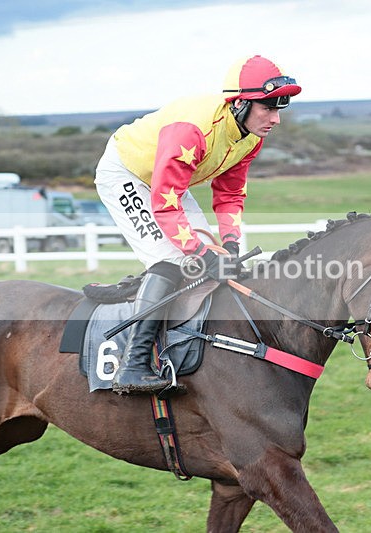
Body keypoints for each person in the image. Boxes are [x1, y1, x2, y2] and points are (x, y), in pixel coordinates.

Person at [95, 55, 302, 394]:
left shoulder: (251, 135)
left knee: (206, 255)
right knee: (175, 259)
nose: (276, 119)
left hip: (169, 183)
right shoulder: (193, 130)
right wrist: (202, 254)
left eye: (280, 108)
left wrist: (231, 243)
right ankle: (132, 365)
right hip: (128, 173)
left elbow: (230, 192)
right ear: (240, 103)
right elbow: (165, 204)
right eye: (268, 108)